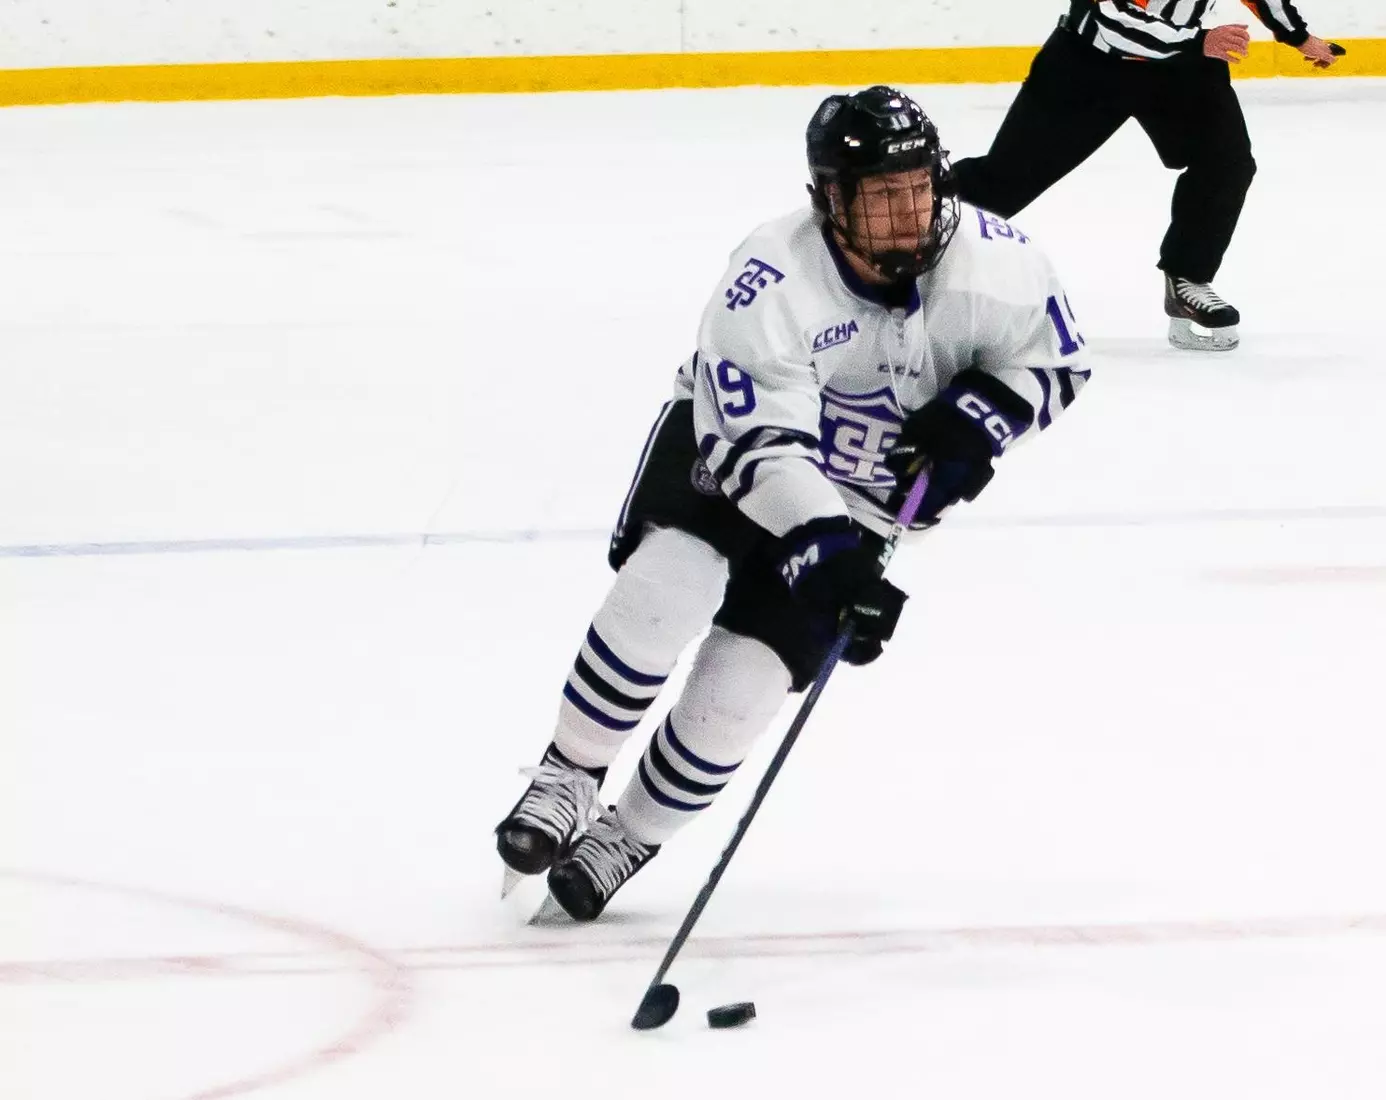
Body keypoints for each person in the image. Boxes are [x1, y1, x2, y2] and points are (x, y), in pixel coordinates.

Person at [493, 86, 1093, 922]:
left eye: (919, 188)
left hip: (864, 497)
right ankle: (570, 772)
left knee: (741, 688)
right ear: (829, 201)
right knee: (668, 587)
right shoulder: (771, 275)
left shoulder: (1001, 264)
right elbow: (761, 445)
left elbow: (1056, 362)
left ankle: (628, 834)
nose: (908, 214)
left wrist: (981, 417)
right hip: (727, 449)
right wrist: (822, 547)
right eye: (881, 197)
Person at [951, 1, 1342, 352]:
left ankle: (1188, 279)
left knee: (1226, 162)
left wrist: (1298, 36)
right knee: (1006, 180)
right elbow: (1111, 17)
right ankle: (920, 229)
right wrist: (1198, 41)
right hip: (1090, 64)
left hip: (1180, 64)